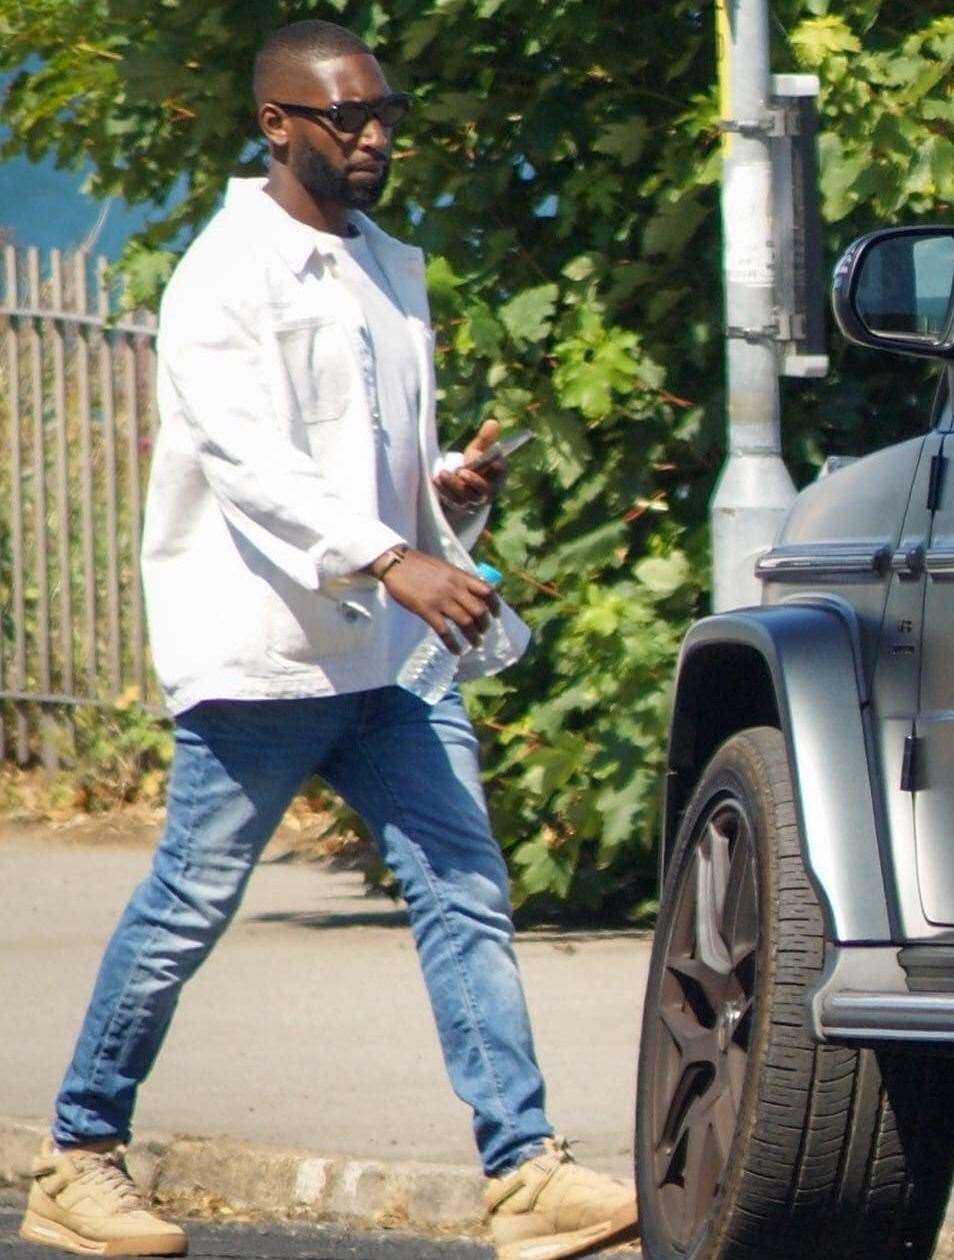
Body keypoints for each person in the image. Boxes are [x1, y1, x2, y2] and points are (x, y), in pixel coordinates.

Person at [18, 20, 635, 1260]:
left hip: (388, 660)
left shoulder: (386, 265)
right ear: (278, 126)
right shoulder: (224, 276)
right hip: (268, 654)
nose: (372, 137)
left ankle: (521, 1176)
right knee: (187, 907)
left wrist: (441, 499)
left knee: (466, 888)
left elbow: (368, 457)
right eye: (344, 117)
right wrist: (391, 556)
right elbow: (253, 465)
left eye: (385, 115)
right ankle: (78, 1159)